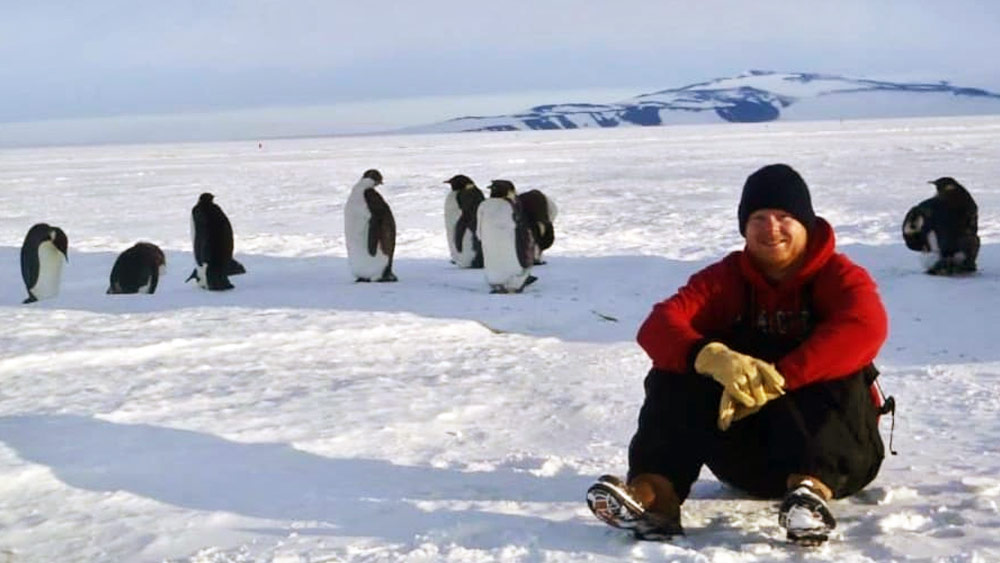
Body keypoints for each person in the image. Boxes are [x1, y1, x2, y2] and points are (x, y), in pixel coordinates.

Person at [586, 164, 888, 545]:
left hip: (839, 461)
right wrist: (709, 356)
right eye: (758, 218)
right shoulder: (727, 279)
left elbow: (866, 326)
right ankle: (654, 496)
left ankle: (809, 499)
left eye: (784, 217)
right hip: (747, 459)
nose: (771, 228)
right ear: (744, 227)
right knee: (674, 370)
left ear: (806, 224)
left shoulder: (837, 275)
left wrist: (779, 378)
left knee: (840, 368)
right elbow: (658, 325)